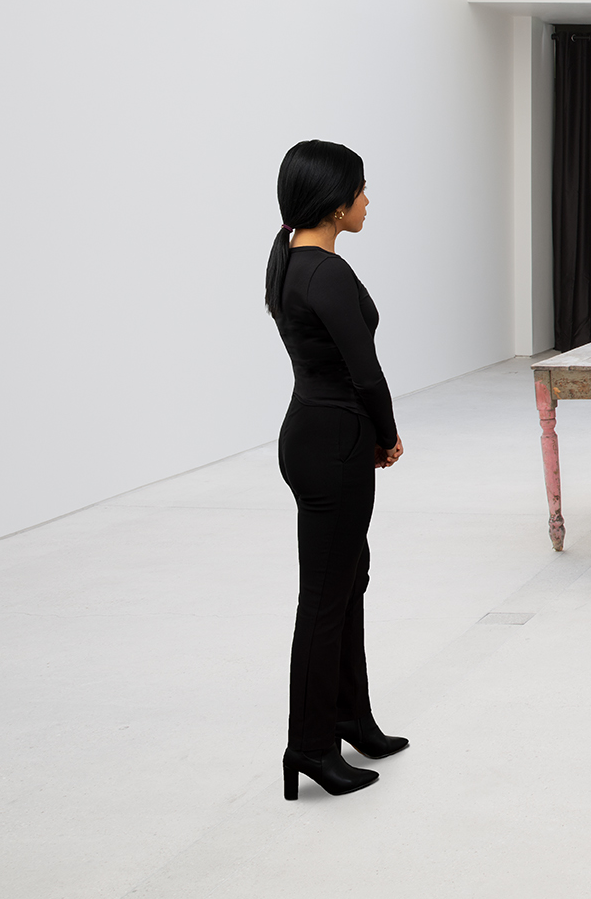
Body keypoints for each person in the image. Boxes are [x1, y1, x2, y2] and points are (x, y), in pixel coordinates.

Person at [265, 140, 409, 800]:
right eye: (360, 189)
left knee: (350, 577)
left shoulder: (294, 262)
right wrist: (387, 434)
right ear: (334, 201)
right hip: (338, 444)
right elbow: (365, 373)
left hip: (311, 436)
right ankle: (310, 745)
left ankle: (352, 716)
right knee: (324, 598)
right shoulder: (324, 272)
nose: (367, 200)